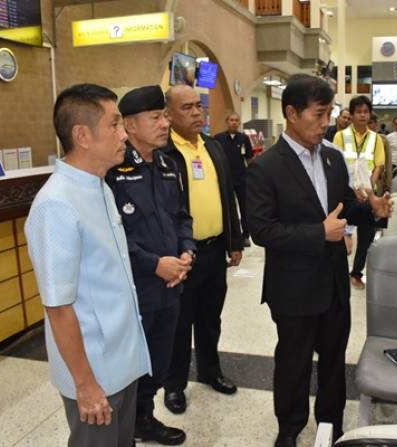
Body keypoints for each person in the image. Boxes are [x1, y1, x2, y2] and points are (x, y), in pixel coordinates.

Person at [246, 74, 391, 447]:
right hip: (293, 288)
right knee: (293, 363)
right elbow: (262, 230)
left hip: (333, 284)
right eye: (319, 114)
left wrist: (371, 209)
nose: (326, 123)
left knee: (333, 361)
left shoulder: (331, 157)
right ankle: (289, 428)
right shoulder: (266, 167)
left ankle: (331, 424)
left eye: (329, 114)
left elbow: (345, 206)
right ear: (292, 113)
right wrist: (318, 233)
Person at [25, 84, 151, 447]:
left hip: (122, 358)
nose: (124, 134)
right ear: (82, 135)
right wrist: (85, 384)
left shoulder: (100, 187)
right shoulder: (56, 205)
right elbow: (58, 307)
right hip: (95, 368)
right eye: (114, 124)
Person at [106, 85, 195, 445]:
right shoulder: (113, 170)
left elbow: (182, 216)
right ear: (129, 124)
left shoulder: (167, 165)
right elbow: (111, 234)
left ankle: (143, 418)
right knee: (131, 365)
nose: (165, 123)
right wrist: (154, 264)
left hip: (171, 286)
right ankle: (127, 424)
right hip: (136, 288)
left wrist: (187, 252)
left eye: (164, 116)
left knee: (160, 359)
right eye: (155, 117)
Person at [163, 85, 244, 415]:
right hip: (182, 256)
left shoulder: (213, 146)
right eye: (187, 108)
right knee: (180, 324)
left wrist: (235, 240)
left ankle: (211, 371)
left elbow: (228, 196)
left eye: (199, 106)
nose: (197, 112)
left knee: (210, 318)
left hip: (214, 251)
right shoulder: (164, 152)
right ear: (169, 115)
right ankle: (174, 385)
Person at [333, 96, 386, 290]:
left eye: (366, 112)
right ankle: (337, 271)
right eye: (359, 112)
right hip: (346, 193)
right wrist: (353, 189)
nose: (363, 115)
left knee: (366, 234)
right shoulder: (340, 136)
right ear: (352, 115)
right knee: (339, 232)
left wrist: (368, 187)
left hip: (368, 193)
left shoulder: (376, 138)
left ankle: (356, 272)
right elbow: (337, 166)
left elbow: (379, 165)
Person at [214, 112, 254, 247]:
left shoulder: (244, 138)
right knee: (228, 208)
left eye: (237, 120)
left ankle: (246, 235)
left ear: (239, 123)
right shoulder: (218, 139)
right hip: (225, 179)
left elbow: (249, 158)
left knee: (244, 208)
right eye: (232, 120)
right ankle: (230, 235)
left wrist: (252, 176)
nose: (234, 122)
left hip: (242, 179)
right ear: (227, 122)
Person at [368, 113, 393, 192]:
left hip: (378, 180)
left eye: (370, 123)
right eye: (366, 122)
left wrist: (388, 183)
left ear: (376, 124)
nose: (368, 125)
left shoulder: (382, 139)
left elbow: (388, 162)